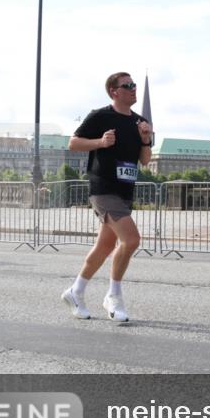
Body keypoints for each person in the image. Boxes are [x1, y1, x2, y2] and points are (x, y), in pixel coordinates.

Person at [60, 72, 153, 323]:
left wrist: (145, 139)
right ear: (114, 91)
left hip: (125, 191)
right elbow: (73, 143)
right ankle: (114, 296)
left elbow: (145, 161)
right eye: (128, 85)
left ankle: (75, 291)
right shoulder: (100, 116)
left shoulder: (140, 122)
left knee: (105, 246)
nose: (134, 89)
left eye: (134, 85)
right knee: (131, 240)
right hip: (103, 187)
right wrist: (101, 142)